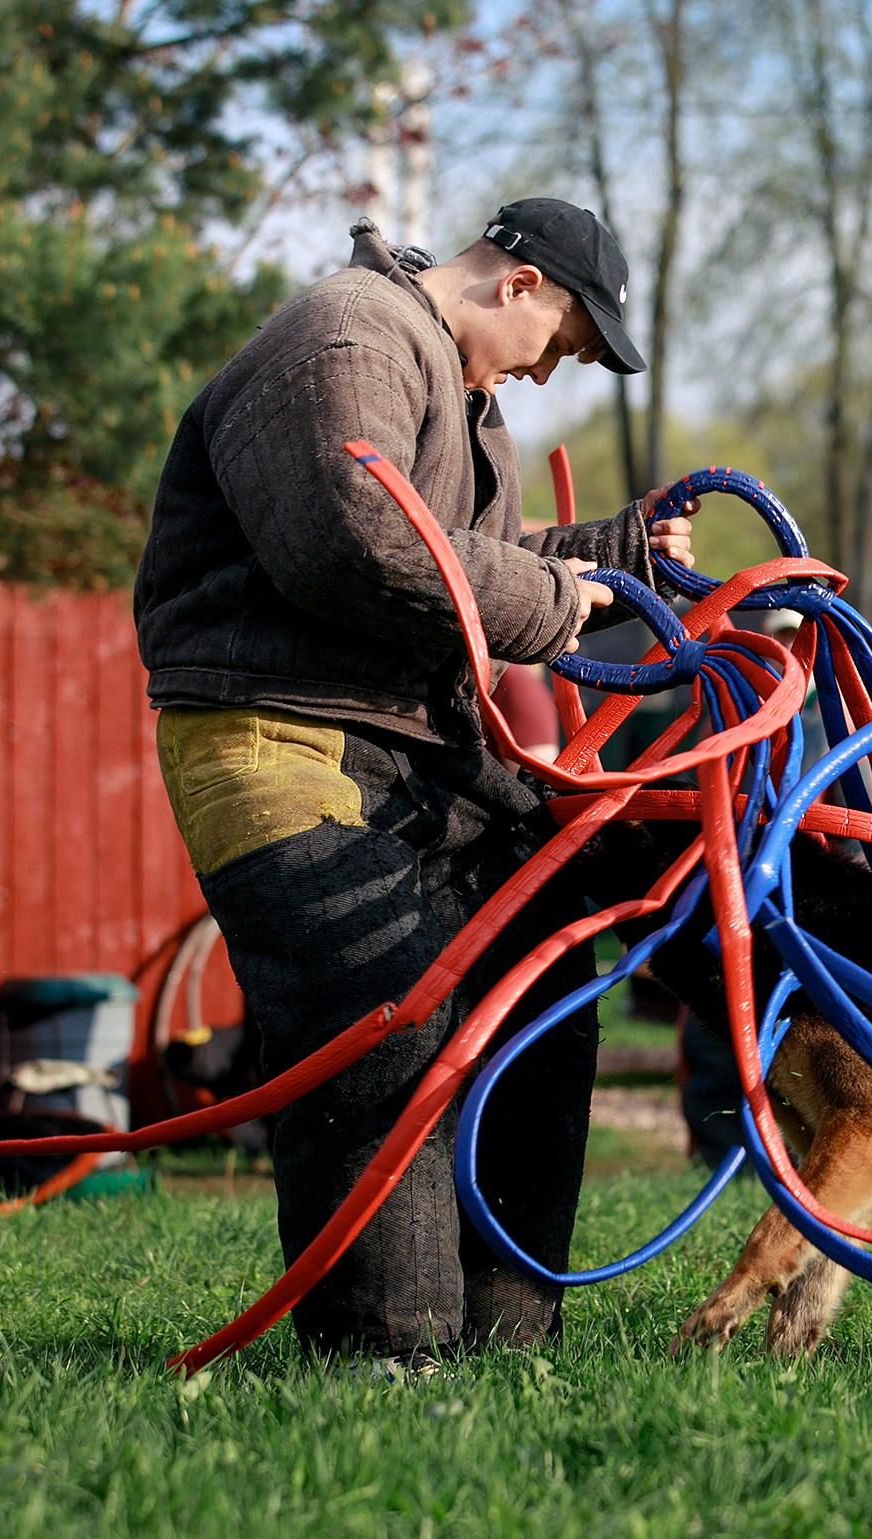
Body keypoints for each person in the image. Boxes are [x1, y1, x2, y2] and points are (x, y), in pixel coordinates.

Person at [134, 199, 697, 1370]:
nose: (547, 375)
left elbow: (450, 549)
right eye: (560, 346)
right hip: (282, 737)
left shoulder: (446, 380)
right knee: (378, 1027)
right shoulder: (346, 341)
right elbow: (356, 541)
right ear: (518, 286)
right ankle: (383, 1356)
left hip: (420, 743)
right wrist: (558, 606)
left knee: (538, 991)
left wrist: (614, 553)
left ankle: (507, 1337)